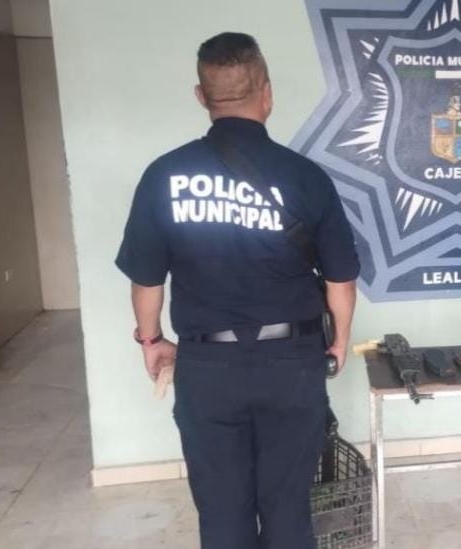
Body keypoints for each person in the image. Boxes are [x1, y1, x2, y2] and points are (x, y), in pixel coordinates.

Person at [116, 32, 359, 549]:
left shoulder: (164, 176)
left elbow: (147, 280)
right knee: (288, 509)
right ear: (266, 93)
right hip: (292, 363)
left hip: (208, 369)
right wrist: (339, 340)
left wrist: (151, 340)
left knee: (223, 514)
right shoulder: (305, 177)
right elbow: (341, 279)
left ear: (201, 97)